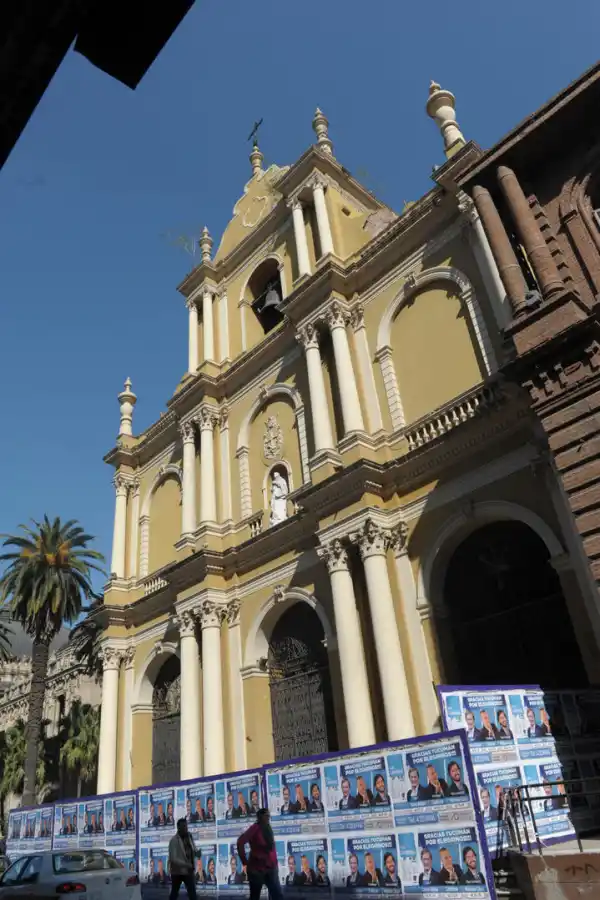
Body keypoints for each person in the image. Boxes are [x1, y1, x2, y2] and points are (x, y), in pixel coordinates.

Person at [236, 808, 283, 900]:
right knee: (255, 897)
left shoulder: (268, 827)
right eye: (266, 816)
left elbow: (271, 847)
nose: (268, 818)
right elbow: (240, 842)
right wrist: (244, 862)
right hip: (257, 870)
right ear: (260, 817)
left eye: (268, 816)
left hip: (271, 869)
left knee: (278, 896)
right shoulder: (255, 828)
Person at [168, 817, 198, 899]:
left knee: (192, 894)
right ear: (179, 828)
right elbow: (173, 858)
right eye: (183, 826)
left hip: (188, 871)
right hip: (177, 872)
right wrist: (186, 864)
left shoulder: (189, 837)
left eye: (186, 826)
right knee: (174, 893)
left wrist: (196, 853)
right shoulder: (173, 840)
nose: (186, 828)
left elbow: (193, 848)